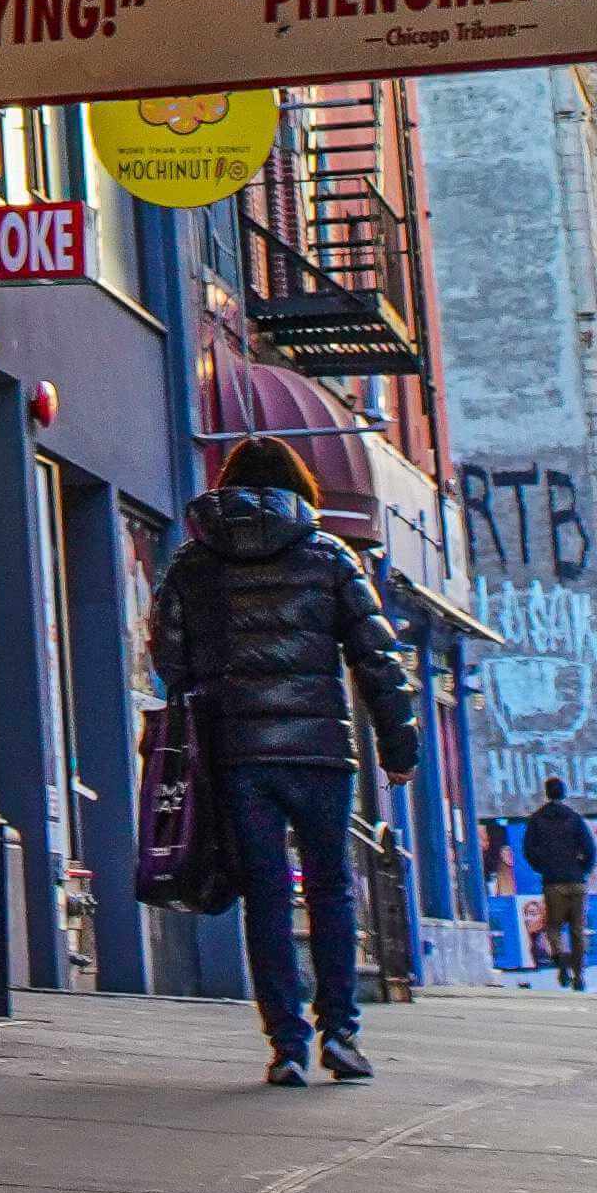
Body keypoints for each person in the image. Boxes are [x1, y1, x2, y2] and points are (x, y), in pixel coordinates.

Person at [145, 439, 420, 1083]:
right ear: (300, 487)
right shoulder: (329, 556)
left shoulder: (193, 562)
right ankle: (341, 1034)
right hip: (320, 753)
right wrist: (398, 751)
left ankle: (287, 1046)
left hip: (238, 756)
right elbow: (377, 660)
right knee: (330, 890)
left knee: (264, 895)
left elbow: (169, 657)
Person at [521, 774, 597, 992]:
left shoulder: (537, 820)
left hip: (553, 882)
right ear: (564, 793)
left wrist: (543, 867)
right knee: (577, 929)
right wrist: (582, 870)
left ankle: (561, 960)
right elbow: (590, 850)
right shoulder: (574, 818)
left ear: (546, 793)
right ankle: (579, 975)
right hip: (576, 881)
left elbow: (528, 850)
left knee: (553, 927)